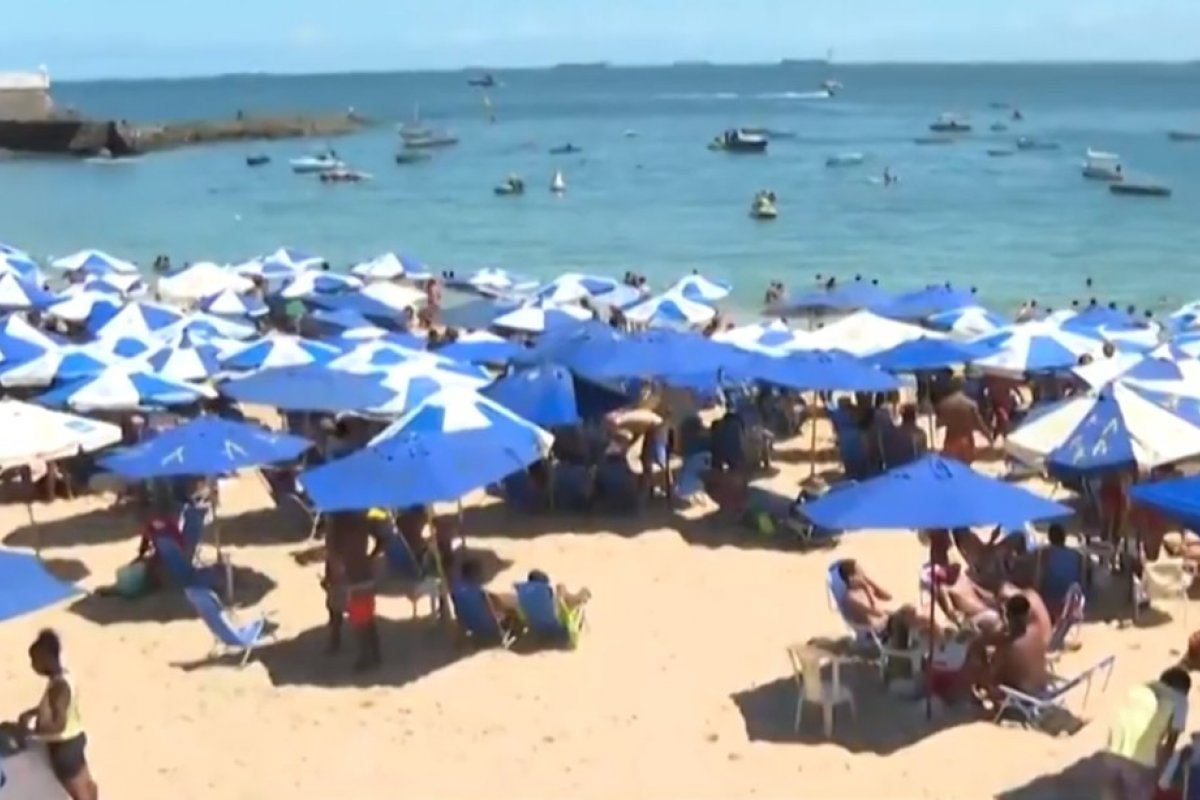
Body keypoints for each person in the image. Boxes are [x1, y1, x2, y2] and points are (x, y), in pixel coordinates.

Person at [15, 630, 98, 800]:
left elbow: (58, 724)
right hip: (74, 740)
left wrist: (33, 734)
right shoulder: (64, 679)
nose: (33, 665)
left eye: (34, 660)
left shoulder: (59, 689)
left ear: (46, 658)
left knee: (80, 794)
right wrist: (34, 712)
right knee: (87, 786)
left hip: (63, 748)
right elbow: (55, 707)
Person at [1103, 667, 1191, 799]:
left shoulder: (1139, 688)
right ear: (1184, 690)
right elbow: (1171, 740)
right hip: (1140, 760)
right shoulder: (1179, 699)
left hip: (1112, 752)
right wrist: (1162, 770)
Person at [963, 593, 1050, 710]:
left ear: (1008, 616)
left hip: (1024, 698)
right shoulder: (1037, 631)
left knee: (977, 657)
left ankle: (972, 699)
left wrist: (981, 654)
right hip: (1042, 689)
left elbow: (993, 676)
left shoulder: (1008, 647)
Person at [322, 511, 381, 671]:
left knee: (357, 617)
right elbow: (383, 538)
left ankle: (364, 655)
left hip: (349, 576)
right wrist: (371, 556)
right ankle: (374, 653)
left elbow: (332, 554)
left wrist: (334, 577)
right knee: (366, 616)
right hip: (363, 572)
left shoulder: (336, 523)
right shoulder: (363, 518)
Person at [935, 375, 993, 464]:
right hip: (966, 442)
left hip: (950, 441)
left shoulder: (944, 404)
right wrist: (988, 436)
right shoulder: (971, 404)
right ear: (962, 386)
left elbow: (939, 424)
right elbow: (979, 424)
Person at [1036, 523, 1087, 619]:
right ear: (1064, 538)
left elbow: (1039, 576)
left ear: (1050, 539)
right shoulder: (1077, 555)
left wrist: (1036, 593)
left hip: (1053, 594)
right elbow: (1082, 580)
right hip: (1072, 595)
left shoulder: (1046, 553)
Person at [526, 569, 591, 612]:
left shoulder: (526, 596)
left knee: (560, 588)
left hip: (536, 617)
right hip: (554, 620)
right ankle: (576, 599)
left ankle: (576, 599)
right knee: (561, 589)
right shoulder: (546, 599)